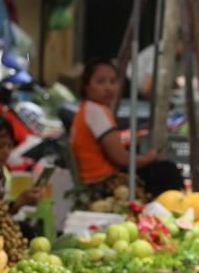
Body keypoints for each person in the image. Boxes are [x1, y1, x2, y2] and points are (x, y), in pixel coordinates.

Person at [71, 58, 184, 200]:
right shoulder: (95, 112)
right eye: (100, 82)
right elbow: (122, 159)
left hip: (100, 177)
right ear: (86, 86)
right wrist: (148, 158)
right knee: (167, 171)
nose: (108, 87)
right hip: (102, 183)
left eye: (112, 82)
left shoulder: (88, 109)